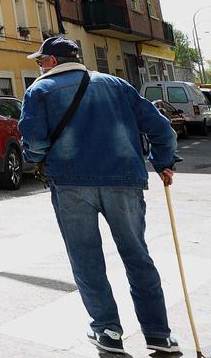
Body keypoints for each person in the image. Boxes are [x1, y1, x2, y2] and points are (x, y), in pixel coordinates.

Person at [19, 36, 181, 355]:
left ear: (52, 61)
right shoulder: (118, 85)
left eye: (41, 61)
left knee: (86, 258)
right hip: (124, 180)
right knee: (137, 255)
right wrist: (163, 162)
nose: (39, 67)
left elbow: (35, 143)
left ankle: (107, 330)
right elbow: (162, 129)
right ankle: (159, 334)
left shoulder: (39, 91)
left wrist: (35, 159)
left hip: (70, 183)